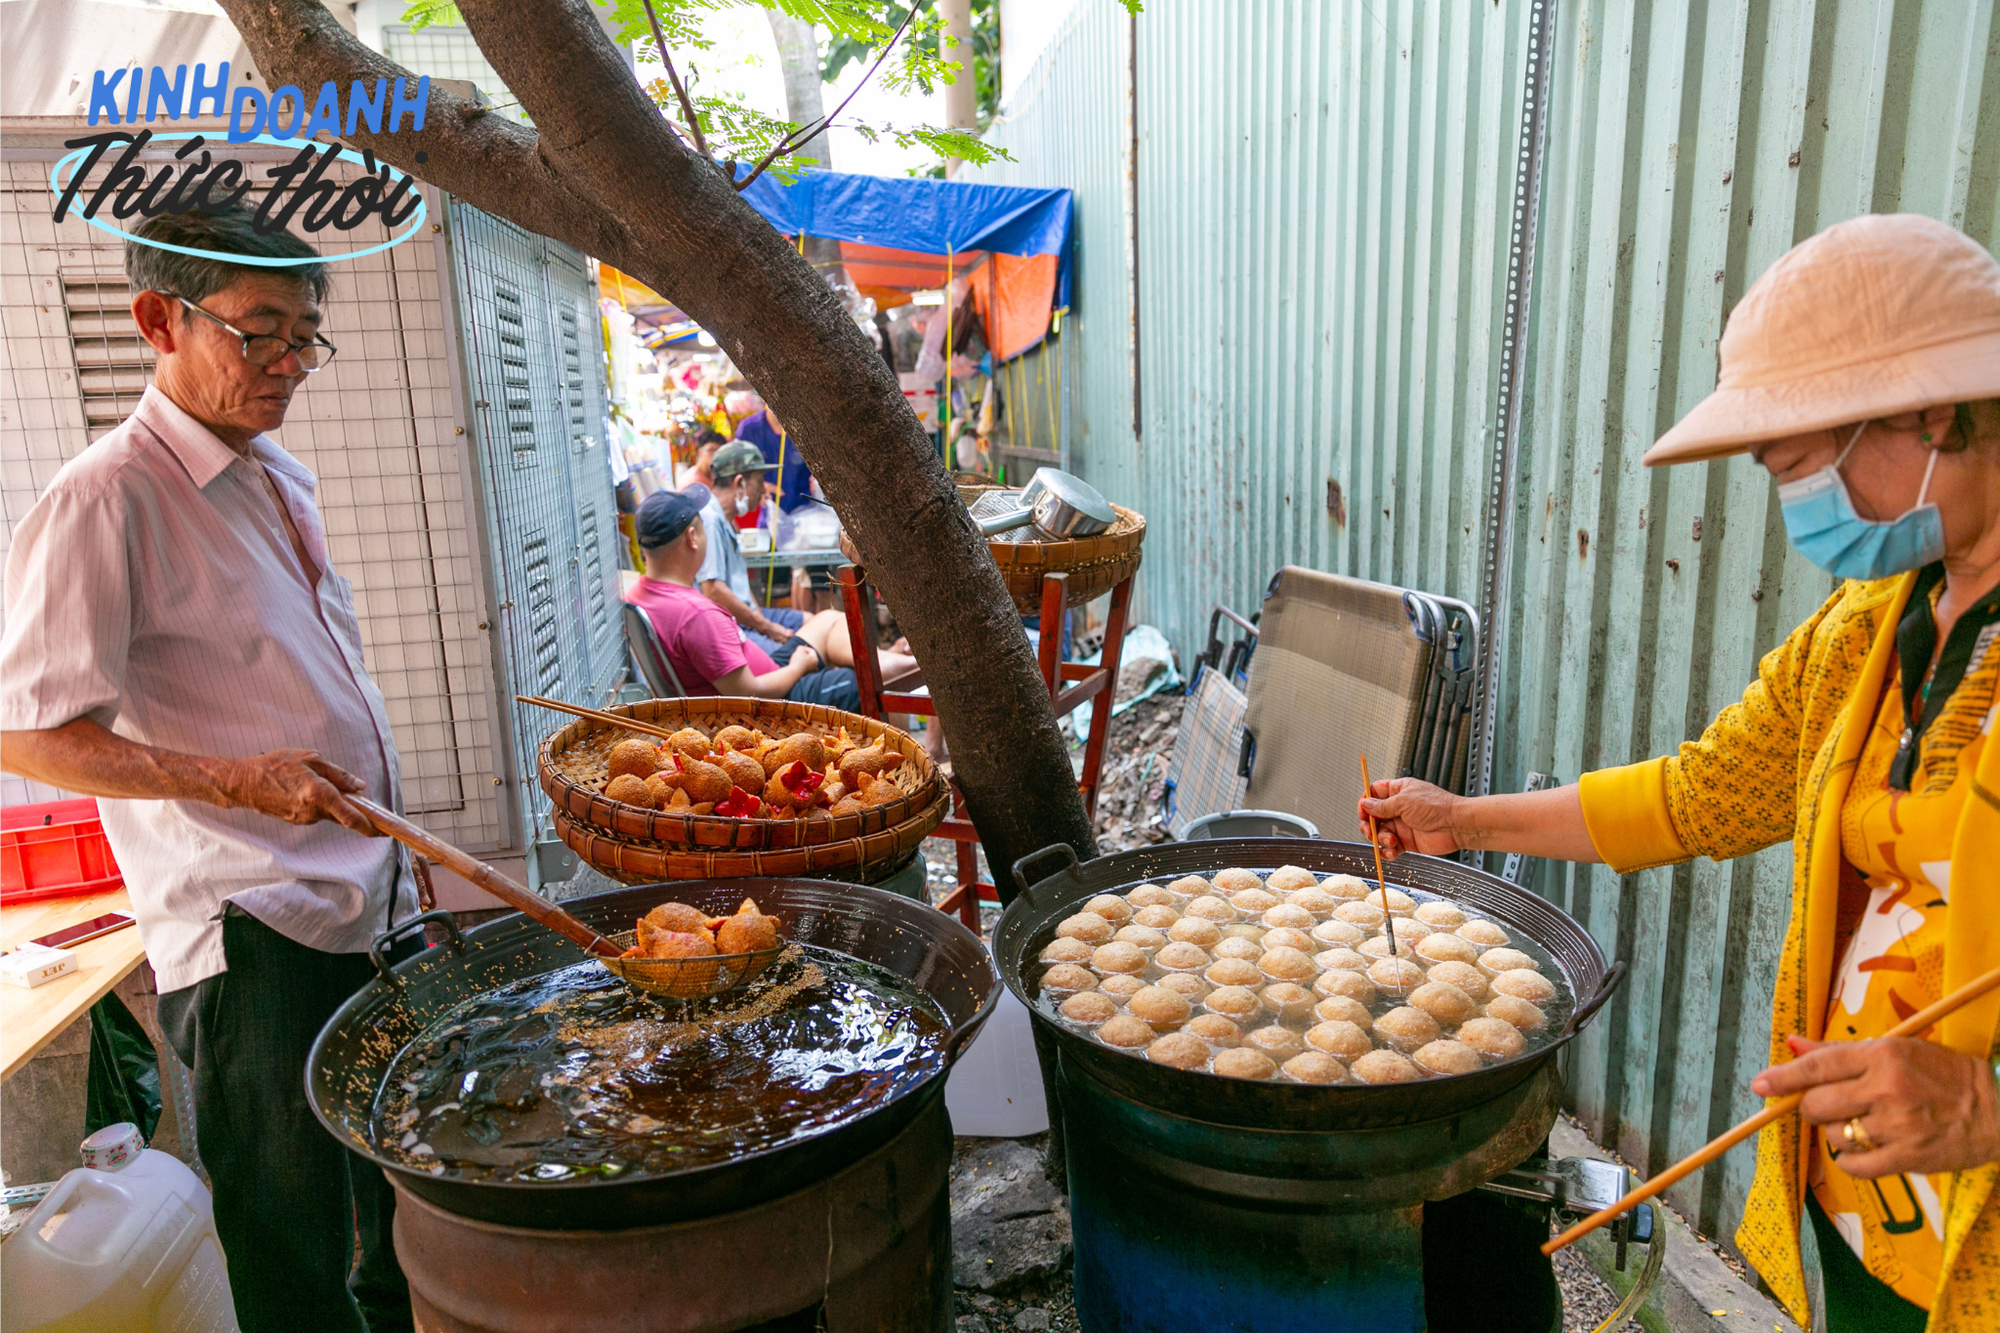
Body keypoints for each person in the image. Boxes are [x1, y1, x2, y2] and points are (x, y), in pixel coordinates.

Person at [1360, 215, 2000, 1332]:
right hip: (1864, 1211)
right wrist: (1460, 818)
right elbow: (1695, 793)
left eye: (1799, 465)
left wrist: (1987, 1112)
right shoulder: (1862, 635)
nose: (1794, 507)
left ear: (1932, 414)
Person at [0, 205, 417, 1331]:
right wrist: (236, 779)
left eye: (305, 336)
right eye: (259, 332)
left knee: (392, 1220)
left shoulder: (271, 471)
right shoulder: (107, 496)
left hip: (364, 900)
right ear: (158, 320)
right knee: (293, 1246)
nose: (288, 364)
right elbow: (29, 732)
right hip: (252, 930)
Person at [625, 491, 916, 706]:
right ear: (692, 538)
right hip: (772, 701)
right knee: (868, 683)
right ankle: (913, 666)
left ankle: (895, 659)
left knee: (827, 620)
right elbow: (751, 692)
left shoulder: (639, 592)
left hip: (762, 672)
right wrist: (798, 667)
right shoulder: (696, 615)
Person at [696, 441, 801, 652]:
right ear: (739, 483)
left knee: (811, 621)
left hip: (747, 617)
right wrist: (767, 628)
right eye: (760, 481)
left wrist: (763, 622)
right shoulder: (710, 520)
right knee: (808, 647)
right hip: (730, 627)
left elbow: (740, 583)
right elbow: (713, 590)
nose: (763, 489)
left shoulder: (724, 519)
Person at [676, 426, 724, 493]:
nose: (715, 455)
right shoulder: (693, 481)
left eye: (719, 451)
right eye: (711, 450)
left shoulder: (712, 474)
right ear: (700, 452)